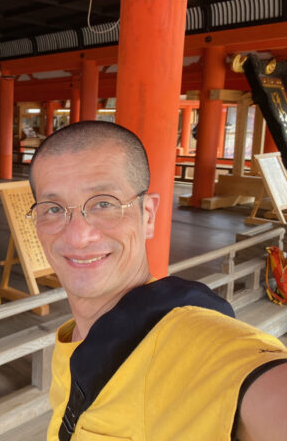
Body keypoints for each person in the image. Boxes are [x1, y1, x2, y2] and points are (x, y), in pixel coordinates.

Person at [27, 121, 287, 441]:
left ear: (147, 215)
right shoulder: (74, 335)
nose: (78, 236)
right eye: (52, 209)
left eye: (104, 203)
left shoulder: (197, 344)